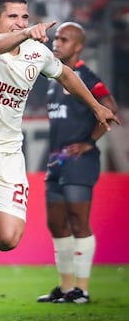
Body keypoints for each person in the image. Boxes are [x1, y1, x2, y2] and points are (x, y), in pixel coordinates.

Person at [0, 0, 119, 321]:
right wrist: (23, 35)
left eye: (25, 18)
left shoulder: (37, 53)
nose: (21, 23)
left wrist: (96, 106)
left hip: (9, 152)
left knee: (8, 238)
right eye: (13, 17)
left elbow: (67, 75)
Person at [37, 22, 118, 304]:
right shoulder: (55, 76)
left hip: (79, 161)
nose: (56, 43)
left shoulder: (86, 75)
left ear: (78, 46)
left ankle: (81, 289)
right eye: (56, 38)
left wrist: (88, 142)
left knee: (78, 221)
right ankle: (65, 286)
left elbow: (110, 107)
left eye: (64, 39)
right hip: (57, 160)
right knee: (56, 223)